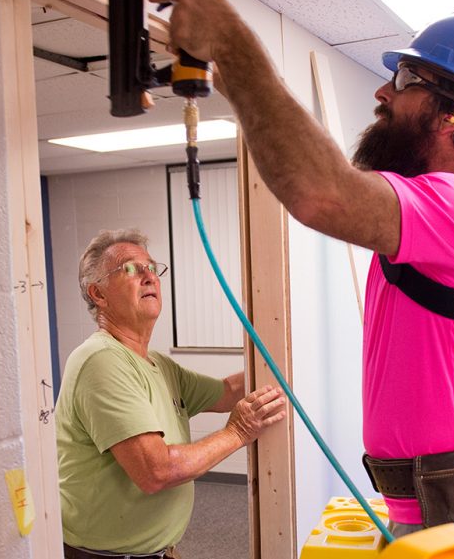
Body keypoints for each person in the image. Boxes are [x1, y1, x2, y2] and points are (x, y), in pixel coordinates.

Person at [148, 0, 454, 541]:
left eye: (405, 81)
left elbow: (319, 192)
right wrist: (224, 68)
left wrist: (232, 41)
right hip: (430, 500)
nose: (383, 92)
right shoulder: (433, 210)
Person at [56, 229, 287, 559]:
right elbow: (156, 471)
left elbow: (228, 392)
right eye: (132, 269)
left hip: (155, 551)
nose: (149, 276)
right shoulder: (101, 361)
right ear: (99, 294)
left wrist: (285, 364)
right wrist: (238, 432)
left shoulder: (159, 365)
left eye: (152, 267)